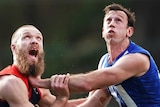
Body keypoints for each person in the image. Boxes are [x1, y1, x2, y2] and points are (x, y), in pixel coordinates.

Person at [29, 3, 160, 107]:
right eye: (108, 20)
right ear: (103, 31)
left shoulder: (137, 58)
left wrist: (39, 83)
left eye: (118, 20)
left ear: (129, 31)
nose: (112, 23)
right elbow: (92, 104)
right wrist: (57, 101)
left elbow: (87, 83)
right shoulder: (105, 62)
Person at [0, 25, 70, 107]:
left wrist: (89, 100)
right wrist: (61, 98)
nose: (34, 41)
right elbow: (61, 103)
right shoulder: (10, 83)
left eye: (38, 38)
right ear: (14, 48)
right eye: (26, 37)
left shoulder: (35, 84)